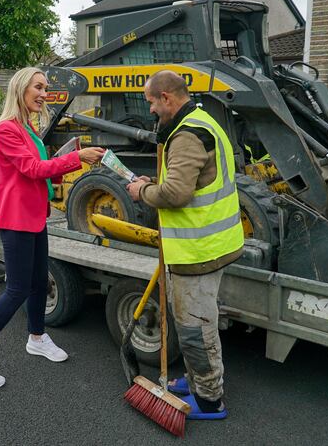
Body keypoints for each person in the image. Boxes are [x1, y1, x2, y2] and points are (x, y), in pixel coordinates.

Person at [0, 67, 105, 389]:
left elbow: (38, 173)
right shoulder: (7, 130)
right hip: (17, 220)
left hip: (35, 216)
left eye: (45, 87)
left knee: (39, 282)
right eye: (38, 87)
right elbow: (31, 168)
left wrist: (61, 167)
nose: (44, 93)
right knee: (17, 290)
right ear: (21, 89)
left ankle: (36, 338)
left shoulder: (30, 130)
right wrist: (77, 157)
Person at [126, 70, 244, 419]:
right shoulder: (202, 120)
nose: (149, 110)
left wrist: (141, 191)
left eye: (151, 102)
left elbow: (177, 194)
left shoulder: (187, 135)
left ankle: (209, 400)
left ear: (166, 97)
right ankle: (196, 379)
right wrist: (155, 182)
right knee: (197, 321)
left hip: (199, 250)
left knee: (194, 328)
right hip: (211, 244)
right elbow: (192, 180)